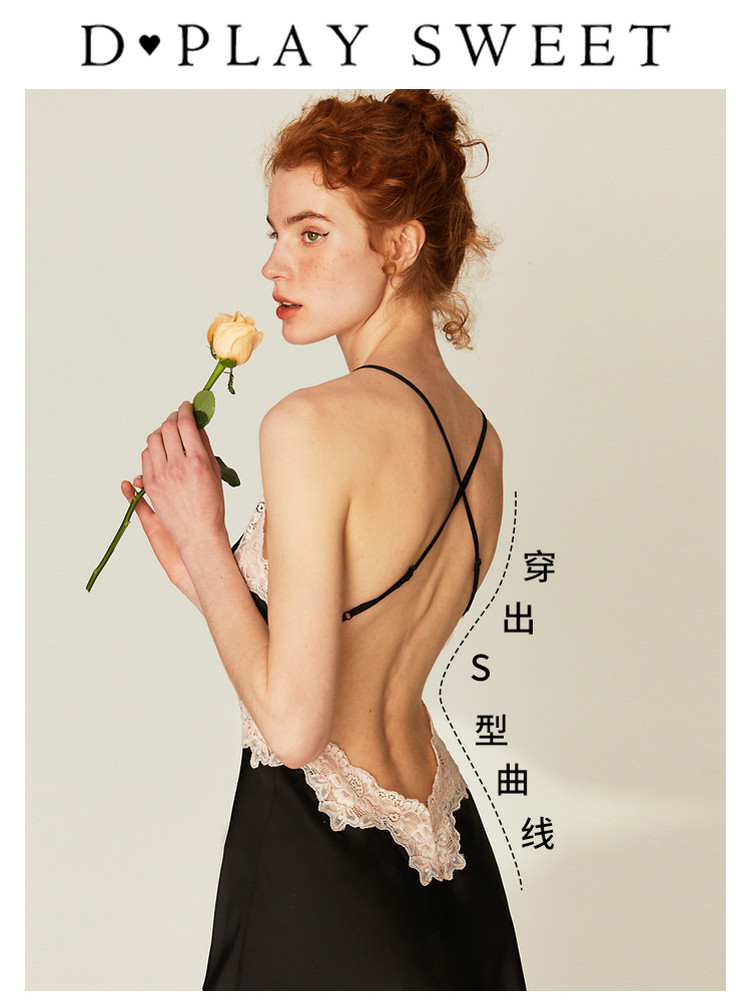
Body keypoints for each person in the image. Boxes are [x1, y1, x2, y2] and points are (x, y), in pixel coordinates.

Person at [121, 89, 526, 990]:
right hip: (452, 874)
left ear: (401, 246)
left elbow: (297, 727)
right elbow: (368, 629)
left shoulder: (308, 423)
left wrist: (205, 532)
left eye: (311, 234)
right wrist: (207, 575)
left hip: (318, 868)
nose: (275, 265)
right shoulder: (482, 442)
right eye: (274, 233)